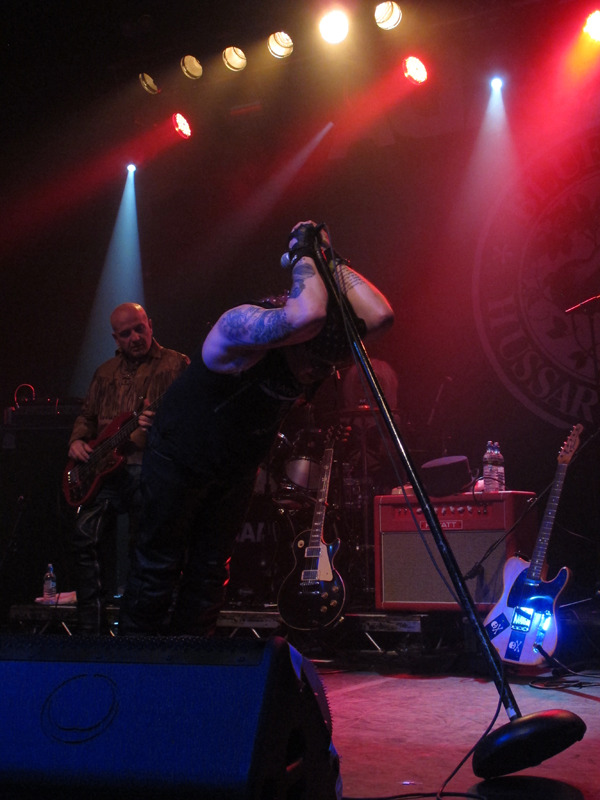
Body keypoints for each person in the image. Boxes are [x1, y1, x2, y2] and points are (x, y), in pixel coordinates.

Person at [119, 221, 394, 636]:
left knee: (210, 573)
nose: (314, 373)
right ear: (294, 338)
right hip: (179, 457)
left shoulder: (316, 345)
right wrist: (303, 253)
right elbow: (308, 314)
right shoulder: (239, 329)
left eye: (325, 367)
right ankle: (136, 662)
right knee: (158, 568)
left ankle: (191, 662)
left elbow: (381, 316)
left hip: (235, 467)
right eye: (311, 361)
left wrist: (329, 261)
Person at [67, 302, 189, 634]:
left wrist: (160, 422)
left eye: (139, 328)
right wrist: (76, 440)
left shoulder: (176, 364)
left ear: (150, 325)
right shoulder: (104, 372)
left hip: (149, 469)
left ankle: (138, 632)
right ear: (115, 338)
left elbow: (194, 414)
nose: (134, 337)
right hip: (103, 472)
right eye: (125, 333)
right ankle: (89, 631)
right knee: (83, 538)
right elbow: (86, 416)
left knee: (143, 548)